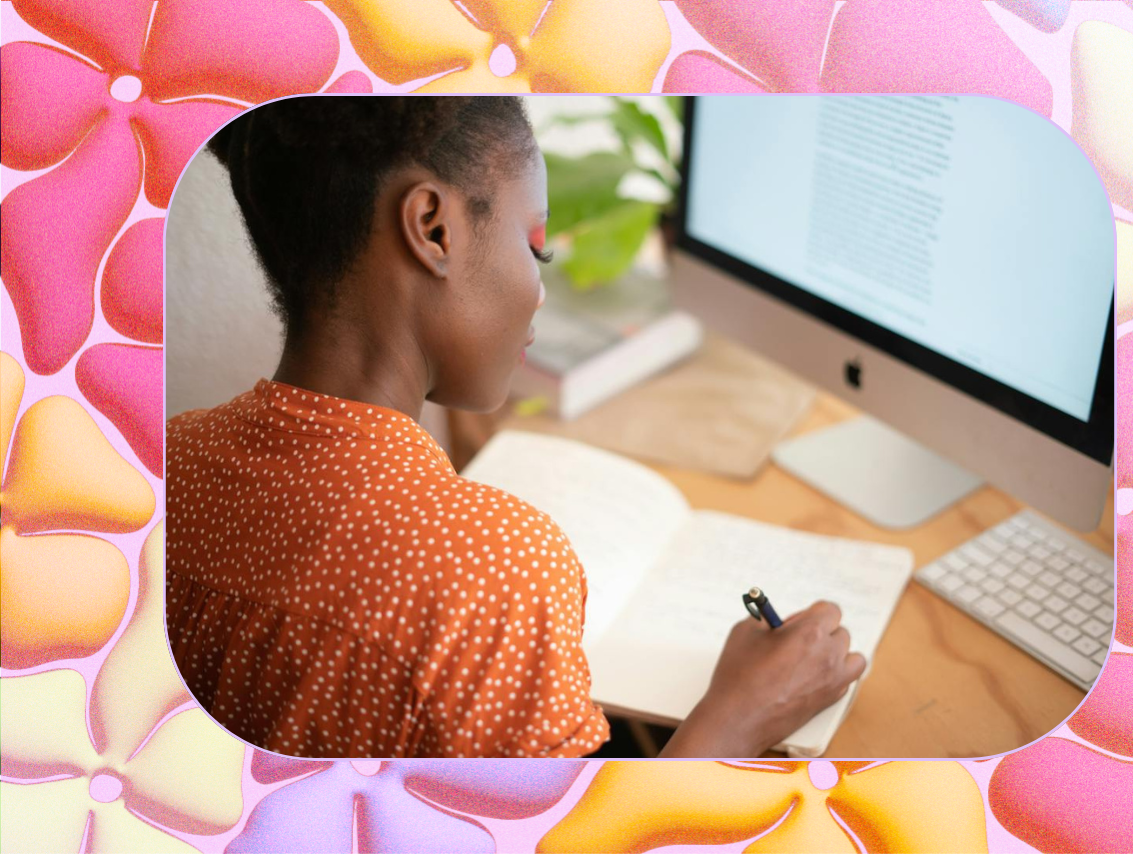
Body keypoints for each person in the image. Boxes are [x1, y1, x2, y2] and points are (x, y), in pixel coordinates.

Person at [165, 96, 866, 759]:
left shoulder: (166, 465)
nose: (539, 290)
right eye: (537, 248)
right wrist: (740, 715)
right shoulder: (493, 574)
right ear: (432, 229)